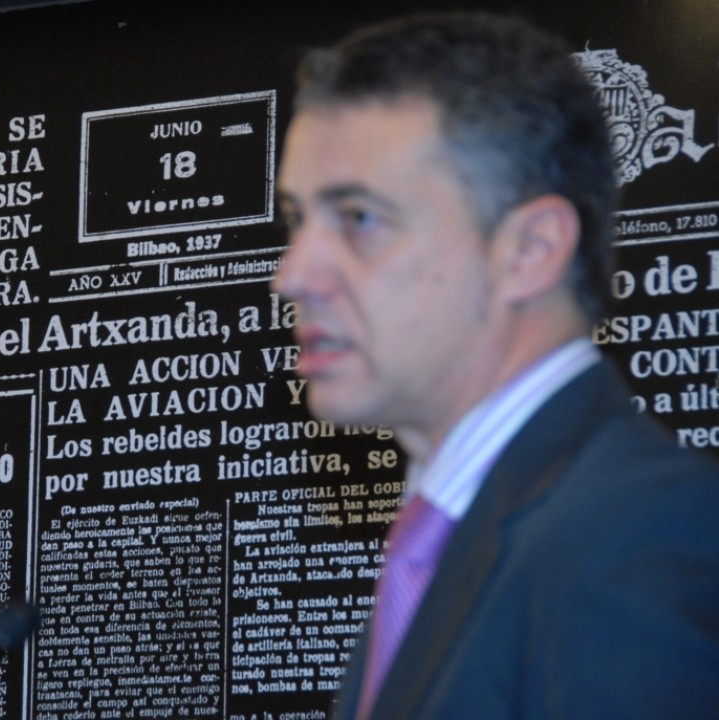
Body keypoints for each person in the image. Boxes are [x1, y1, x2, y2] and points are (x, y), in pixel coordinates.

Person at [272, 11, 719, 720]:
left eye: (358, 218)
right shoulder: (450, 537)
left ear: (530, 251)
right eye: (298, 221)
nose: (292, 276)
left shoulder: (639, 538)